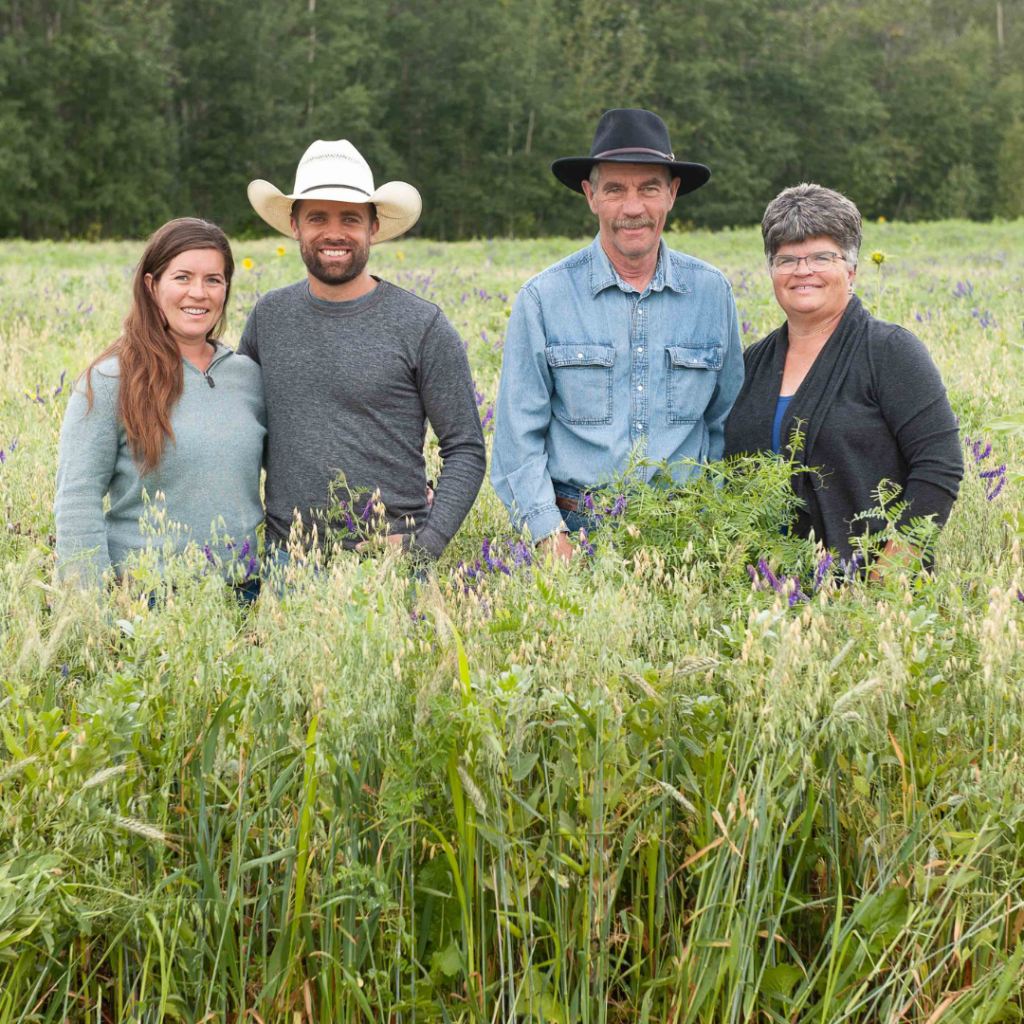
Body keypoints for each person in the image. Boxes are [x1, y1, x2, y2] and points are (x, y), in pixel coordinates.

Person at [491, 108, 744, 560]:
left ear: (672, 193)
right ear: (590, 196)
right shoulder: (543, 298)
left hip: (685, 534)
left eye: (649, 188)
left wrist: (716, 524)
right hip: (573, 530)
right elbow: (517, 438)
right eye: (615, 190)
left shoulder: (712, 293)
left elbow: (728, 424)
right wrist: (549, 537)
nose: (633, 208)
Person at [240, 139, 486, 566]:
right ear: (295, 226)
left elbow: (465, 448)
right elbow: (242, 426)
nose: (333, 232)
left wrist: (423, 547)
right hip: (288, 559)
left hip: (388, 558)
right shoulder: (269, 317)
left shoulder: (422, 325)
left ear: (373, 227)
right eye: (317, 217)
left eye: (350, 218)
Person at [723, 183, 963, 565]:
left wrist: (891, 571)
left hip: (861, 593)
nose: (803, 271)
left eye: (821, 257)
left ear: (850, 270)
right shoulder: (754, 362)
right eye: (787, 259)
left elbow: (940, 464)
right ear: (772, 270)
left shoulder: (889, 351)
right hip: (759, 595)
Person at [54, 218, 266, 594]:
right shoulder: (109, 380)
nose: (198, 293)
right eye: (182, 277)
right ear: (152, 286)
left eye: (213, 280)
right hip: (147, 599)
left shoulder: (248, 376)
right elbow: (77, 499)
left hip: (244, 594)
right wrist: (92, 610)